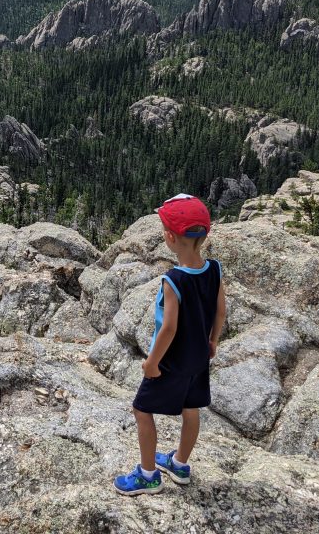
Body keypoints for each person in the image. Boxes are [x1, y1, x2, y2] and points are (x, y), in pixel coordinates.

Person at [113, 193, 226, 496]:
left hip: (172, 362)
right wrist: (213, 340)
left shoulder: (173, 279)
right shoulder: (214, 269)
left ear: (169, 237)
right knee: (192, 409)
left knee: (141, 409)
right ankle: (179, 463)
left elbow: (169, 327)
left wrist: (152, 362)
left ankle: (148, 475)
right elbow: (220, 310)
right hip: (199, 357)